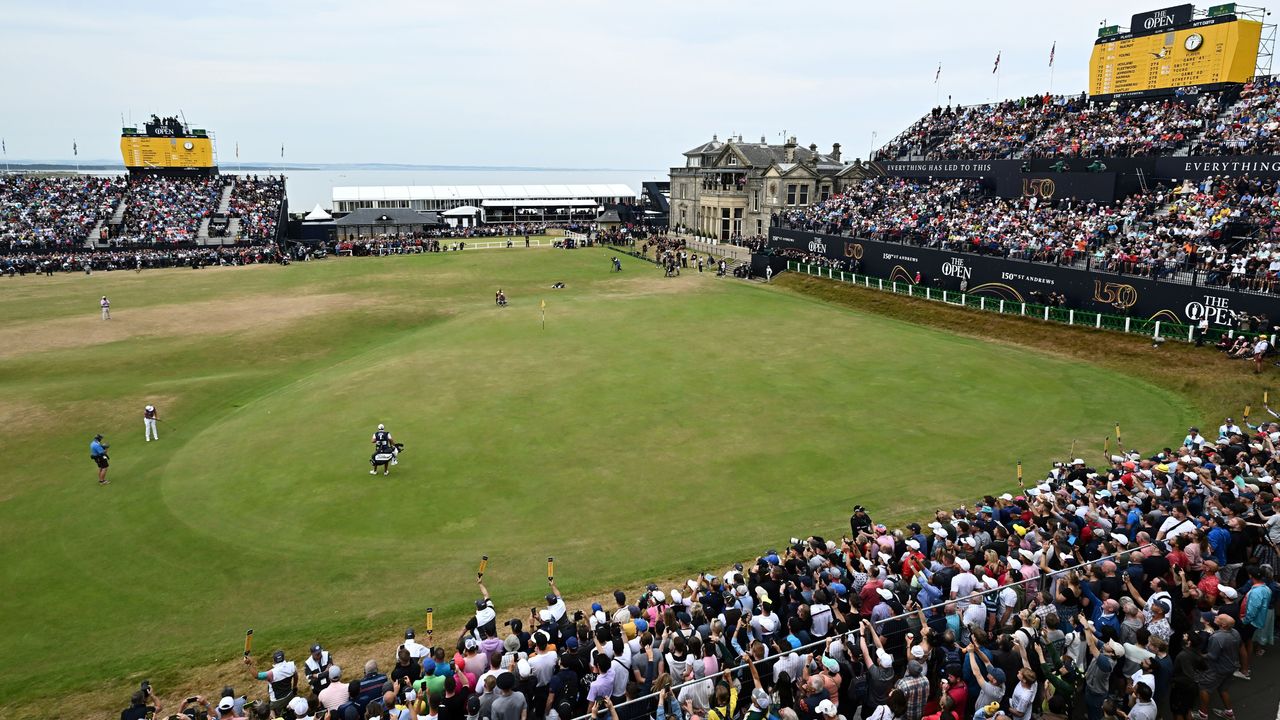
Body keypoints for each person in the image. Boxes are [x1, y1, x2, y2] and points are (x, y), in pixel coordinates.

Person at [254, 649, 298, 717]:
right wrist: (294, 687)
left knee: (271, 709)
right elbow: (296, 676)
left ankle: (275, 716)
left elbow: (256, 675)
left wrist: (249, 664)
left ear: (274, 661)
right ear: (284, 658)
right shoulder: (292, 665)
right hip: (290, 696)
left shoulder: (271, 673)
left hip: (276, 702)